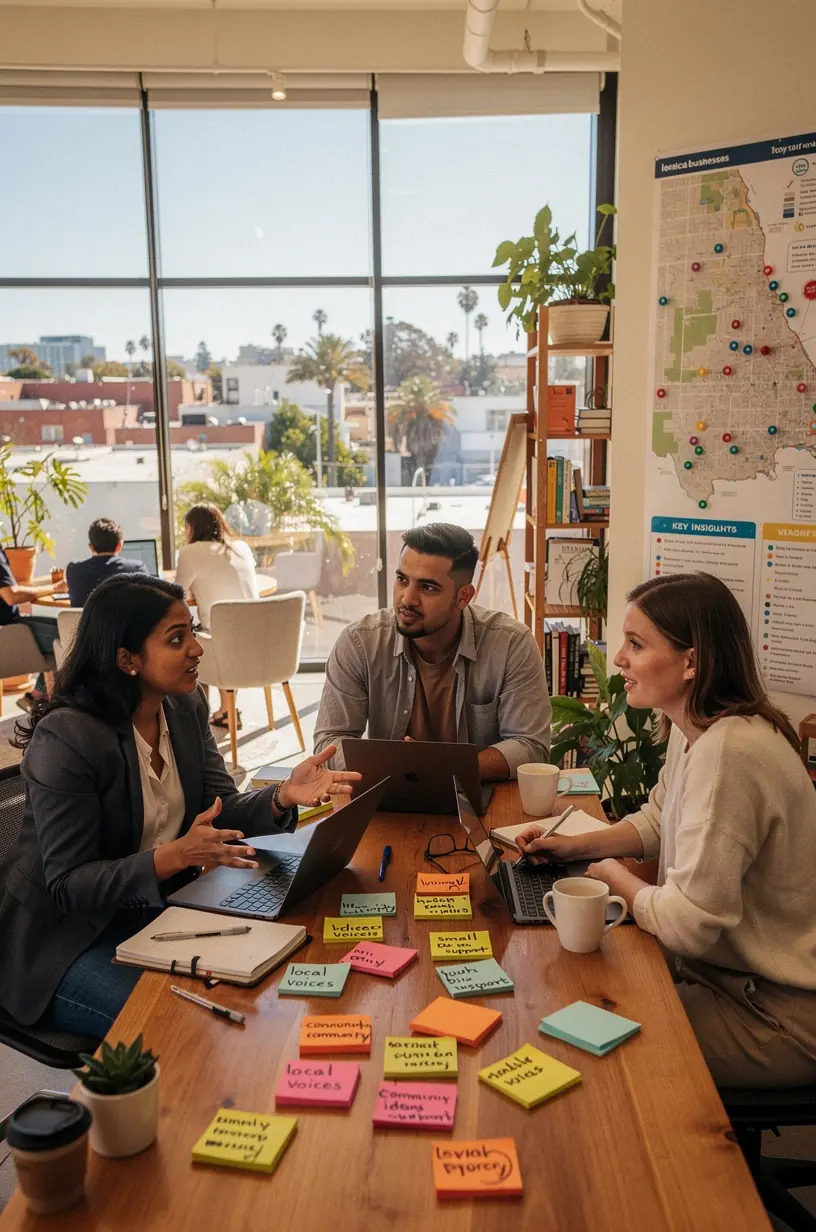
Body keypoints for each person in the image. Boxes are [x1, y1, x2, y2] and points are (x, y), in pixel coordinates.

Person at [0, 573, 360, 1037]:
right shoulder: (69, 738)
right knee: (186, 1028)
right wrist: (174, 856)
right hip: (62, 944)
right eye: (177, 638)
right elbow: (68, 886)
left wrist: (281, 795)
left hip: (155, 913)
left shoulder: (184, 706)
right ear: (127, 659)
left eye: (192, 631)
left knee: (257, 989)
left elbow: (218, 810)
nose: (197, 649)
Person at [515, 571, 816, 1089]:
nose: (619, 661)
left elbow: (688, 926)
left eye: (636, 644)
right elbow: (660, 817)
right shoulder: (699, 725)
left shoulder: (730, 753)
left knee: (589, 1048)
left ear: (691, 662)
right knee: (578, 1000)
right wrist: (577, 847)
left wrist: (613, 876)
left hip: (772, 1015)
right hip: (727, 980)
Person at [314, 523, 551, 781]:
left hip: (482, 797)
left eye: (427, 588)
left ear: (463, 597)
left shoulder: (511, 644)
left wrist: (439, 767)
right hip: (387, 798)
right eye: (402, 580)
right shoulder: (359, 643)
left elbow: (531, 747)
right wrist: (396, 765)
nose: (407, 599)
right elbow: (328, 744)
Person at [174, 503, 260, 730]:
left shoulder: (190, 552)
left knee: (192, 641)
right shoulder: (241, 547)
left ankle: (197, 716)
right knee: (223, 629)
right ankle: (227, 711)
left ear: (191, 528)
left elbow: (176, 592)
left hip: (223, 645)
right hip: (260, 643)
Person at [0, 544, 61, 712]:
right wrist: (55, 588)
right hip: (8, 633)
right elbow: (11, 596)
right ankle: (56, 709)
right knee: (68, 636)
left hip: (10, 628)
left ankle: (37, 697)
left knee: (63, 632)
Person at [66, 517, 150, 607]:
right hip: (123, 621)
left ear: (91, 547)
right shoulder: (136, 569)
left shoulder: (73, 570)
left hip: (85, 621)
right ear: (120, 545)